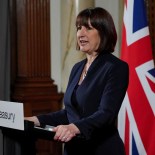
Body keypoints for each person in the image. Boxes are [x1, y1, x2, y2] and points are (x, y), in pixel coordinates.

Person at [25, 7, 129, 155]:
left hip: (101, 150)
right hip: (74, 150)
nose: (81, 33)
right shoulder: (77, 68)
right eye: (79, 28)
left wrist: (73, 128)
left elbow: (106, 113)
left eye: (88, 28)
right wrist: (35, 120)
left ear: (104, 32)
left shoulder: (116, 67)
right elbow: (69, 113)